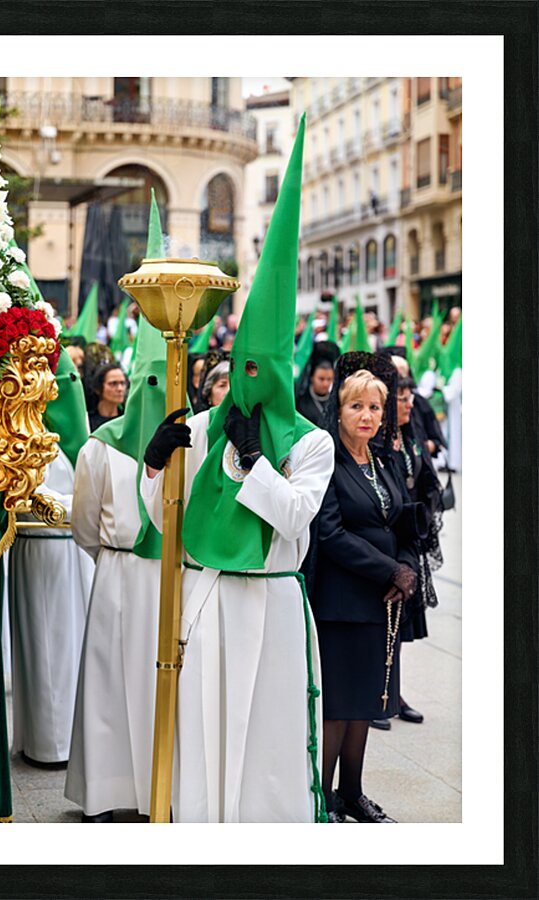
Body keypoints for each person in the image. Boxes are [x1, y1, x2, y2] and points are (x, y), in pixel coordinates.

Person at [142, 115, 335, 823]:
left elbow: (295, 516)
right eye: (237, 369)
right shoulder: (201, 427)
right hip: (209, 596)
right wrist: (155, 462)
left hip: (272, 600)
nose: (247, 383)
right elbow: (164, 511)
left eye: (260, 371)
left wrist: (255, 460)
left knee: (268, 746)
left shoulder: (311, 444)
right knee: (205, 733)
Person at [65, 191, 167, 823]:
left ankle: (157, 787)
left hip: (168, 579)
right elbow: (83, 522)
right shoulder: (100, 446)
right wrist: (113, 554)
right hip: (118, 573)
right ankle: (106, 793)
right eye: (142, 384)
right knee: (108, 684)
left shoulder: (186, 445)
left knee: (160, 685)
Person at [302, 353, 419, 823]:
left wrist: (407, 567)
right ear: (339, 409)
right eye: (356, 407)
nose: (367, 416)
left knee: (365, 704)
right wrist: (390, 570)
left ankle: (352, 793)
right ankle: (324, 799)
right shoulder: (326, 460)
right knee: (337, 707)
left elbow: (405, 522)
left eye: (374, 407)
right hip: (341, 600)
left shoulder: (383, 460)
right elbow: (330, 534)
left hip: (379, 602)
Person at [8, 351, 94, 765]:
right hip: (41, 545)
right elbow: (28, 495)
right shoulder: (26, 434)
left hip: (75, 547)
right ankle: (48, 743)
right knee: (47, 643)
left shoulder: (82, 438)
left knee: (70, 645)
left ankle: (66, 738)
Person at [370, 374, 444, 731]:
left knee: (399, 626)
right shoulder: (378, 441)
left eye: (410, 397)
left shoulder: (410, 434)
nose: (409, 404)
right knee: (381, 624)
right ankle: (375, 695)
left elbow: (424, 474)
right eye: (401, 398)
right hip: (387, 540)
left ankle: (392, 692)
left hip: (409, 539)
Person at [87, 362, 127, 431]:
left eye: (122, 383)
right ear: (98, 388)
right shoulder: (87, 423)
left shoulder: (127, 421)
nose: (120, 389)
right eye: (113, 383)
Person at [296, 360, 334, 427]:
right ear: (312, 378)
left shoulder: (335, 401)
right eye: (321, 379)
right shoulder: (301, 404)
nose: (325, 384)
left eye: (329, 379)